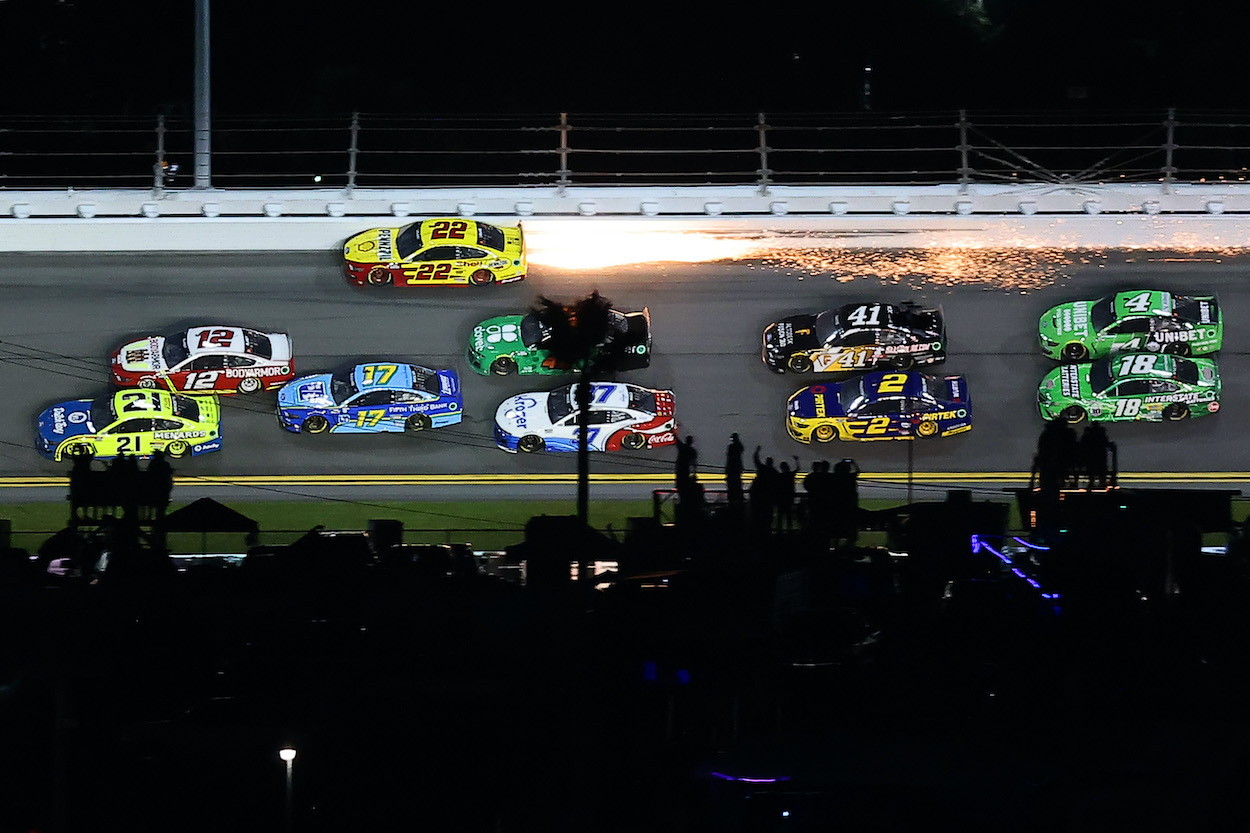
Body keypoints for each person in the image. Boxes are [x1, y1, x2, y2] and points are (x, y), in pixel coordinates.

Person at [725, 433, 745, 509]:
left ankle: (732, 502)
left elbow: (729, 459)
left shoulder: (732, 447)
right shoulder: (739, 447)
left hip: (732, 469)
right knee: (737, 485)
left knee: (732, 487)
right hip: (736, 469)